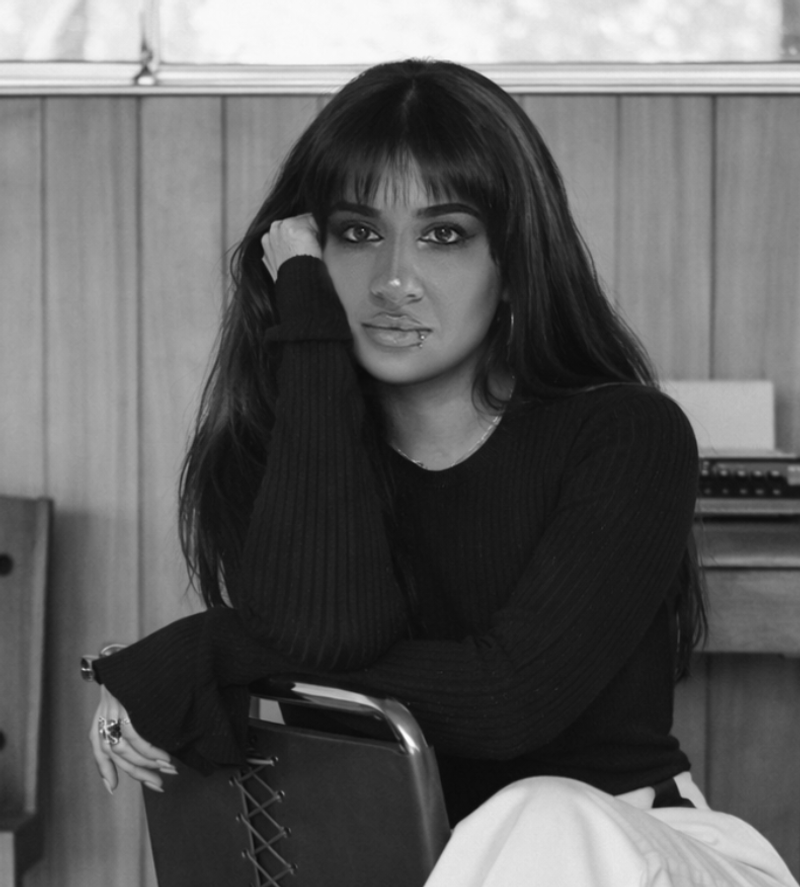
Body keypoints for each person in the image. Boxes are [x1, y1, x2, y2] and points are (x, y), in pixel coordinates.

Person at [86, 59, 798, 887]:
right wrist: (310, 337)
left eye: (444, 234)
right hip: (412, 861)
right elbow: (330, 635)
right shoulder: (273, 461)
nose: (393, 280)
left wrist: (214, 645)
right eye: (355, 234)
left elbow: (507, 701)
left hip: (630, 850)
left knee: (541, 812)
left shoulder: (626, 436)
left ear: (512, 264)